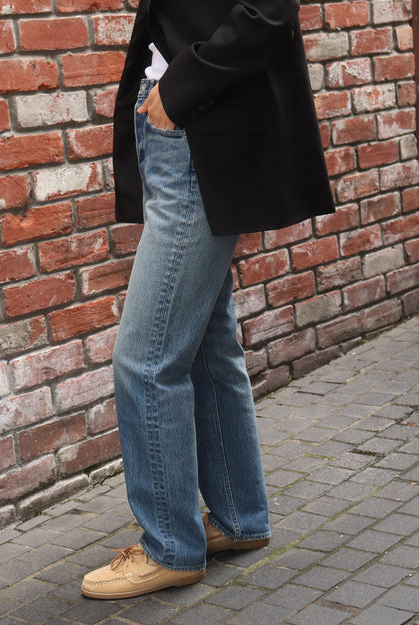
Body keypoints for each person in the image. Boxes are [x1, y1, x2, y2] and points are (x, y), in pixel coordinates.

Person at [81, 0, 335, 600]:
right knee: (206, 346)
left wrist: (177, 92)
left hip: (197, 130)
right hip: (181, 132)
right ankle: (240, 517)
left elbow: (268, 12)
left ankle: (170, 547)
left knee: (146, 360)